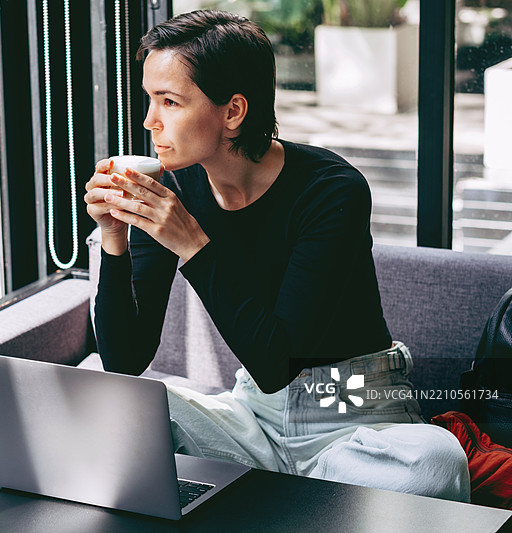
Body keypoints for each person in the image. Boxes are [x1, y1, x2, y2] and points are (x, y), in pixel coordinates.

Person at [83, 9, 470, 501]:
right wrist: (114, 239)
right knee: (105, 401)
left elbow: (277, 361)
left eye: (170, 101)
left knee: (433, 464)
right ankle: (311, 499)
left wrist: (191, 243)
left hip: (354, 411)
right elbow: (124, 362)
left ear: (233, 112)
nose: (149, 121)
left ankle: (279, 496)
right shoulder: (172, 189)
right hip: (253, 418)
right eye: (150, 99)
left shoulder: (332, 190)